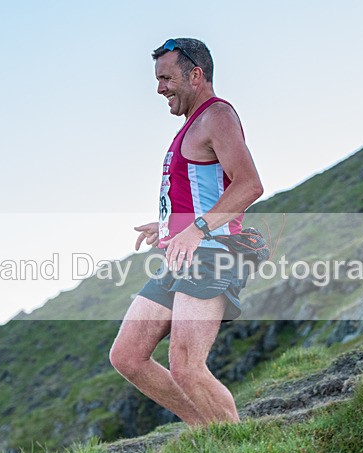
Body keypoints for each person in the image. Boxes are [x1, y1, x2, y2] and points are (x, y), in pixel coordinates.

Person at [109, 38, 264, 425]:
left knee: (187, 366)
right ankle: (205, 430)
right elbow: (202, 190)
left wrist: (196, 228)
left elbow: (249, 185)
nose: (159, 88)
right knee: (128, 356)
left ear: (195, 75)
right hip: (182, 256)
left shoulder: (217, 115)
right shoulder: (190, 126)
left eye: (166, 78)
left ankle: (238, 444)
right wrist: (167, 225)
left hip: (212, 255)